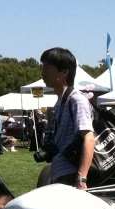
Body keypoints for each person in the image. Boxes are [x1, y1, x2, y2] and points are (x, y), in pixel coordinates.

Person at [40, 47, 95, 189]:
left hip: (71, 174)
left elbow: (89, 138)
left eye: (48, 68)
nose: (43, 74)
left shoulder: (76, 100)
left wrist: (81, 178)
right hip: (60, 172)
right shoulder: (61, 101)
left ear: (64, 72)